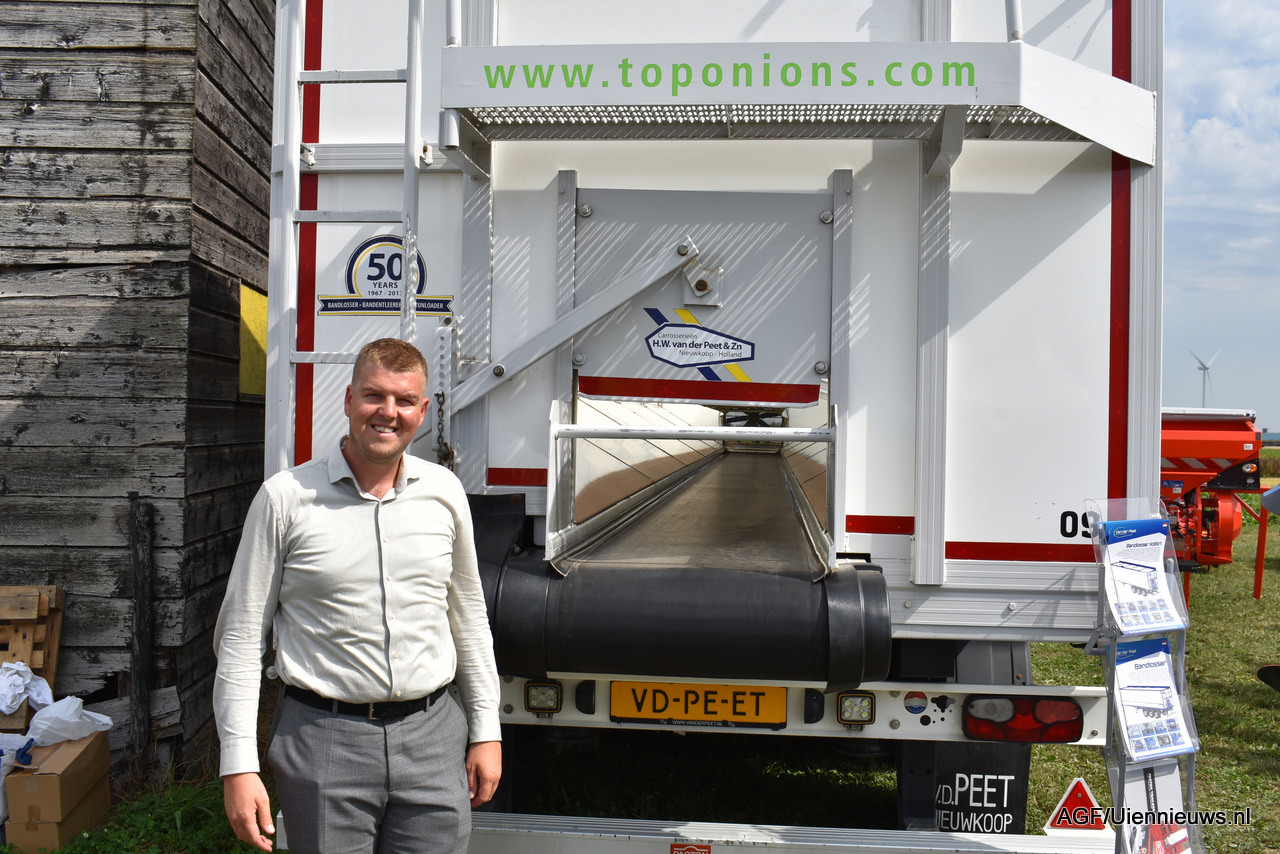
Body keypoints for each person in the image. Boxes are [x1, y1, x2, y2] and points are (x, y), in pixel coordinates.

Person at [213, 338, 502, 853]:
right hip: (322, 741)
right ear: (349, 400)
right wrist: (238, 764)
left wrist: (486, 729)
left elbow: (469, 619)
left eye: (404, 400)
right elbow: (240, 639)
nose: (388, 412)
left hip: (433, 740)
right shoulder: (285, 499)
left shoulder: (444, 493)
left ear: (422, 411)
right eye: (374, 395)